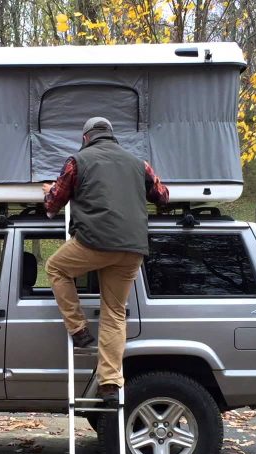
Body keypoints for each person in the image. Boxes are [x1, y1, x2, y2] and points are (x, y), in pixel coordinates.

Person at [42, 117, 170, 404]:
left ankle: (78, 329)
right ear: (112, 137)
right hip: (132, 248)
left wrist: (48, 192)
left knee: (56, 267)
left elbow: (53, 205)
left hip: (93, 243)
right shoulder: (140, 164)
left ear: (86, 138)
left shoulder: (77, 161)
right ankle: (110, 384)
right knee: (114, 312)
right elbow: (163, 197)